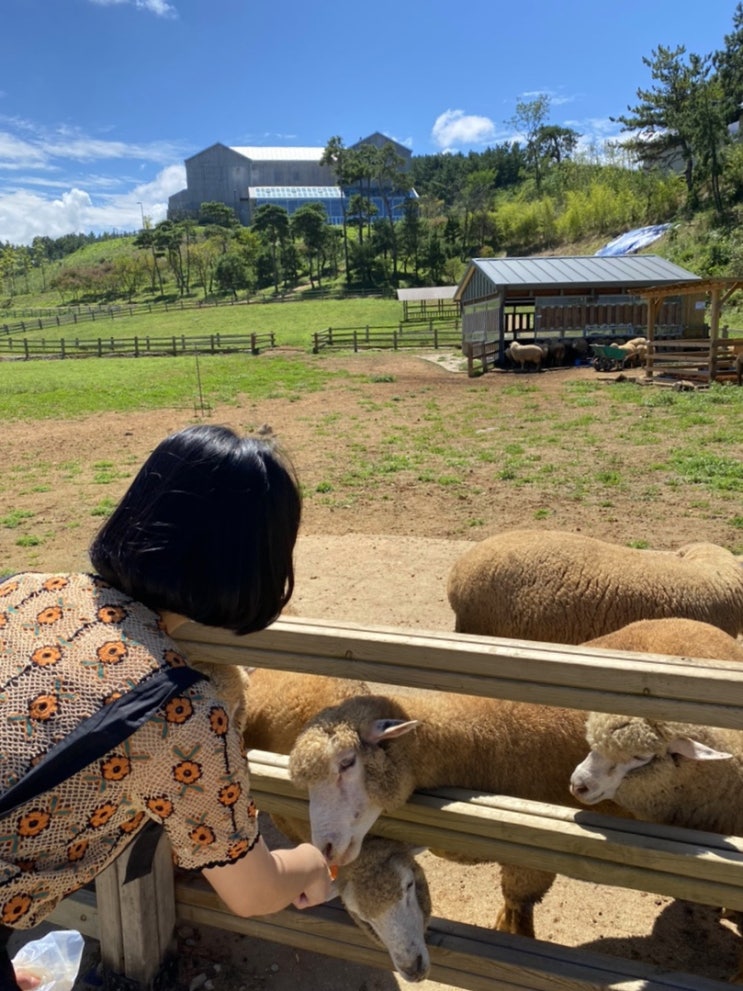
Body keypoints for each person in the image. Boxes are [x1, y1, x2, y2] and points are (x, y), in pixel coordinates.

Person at [2, 424, 333, 991]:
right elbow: (252, 892)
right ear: (254, 566)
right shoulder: (178, 711)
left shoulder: (25, 589)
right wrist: (311, 864)